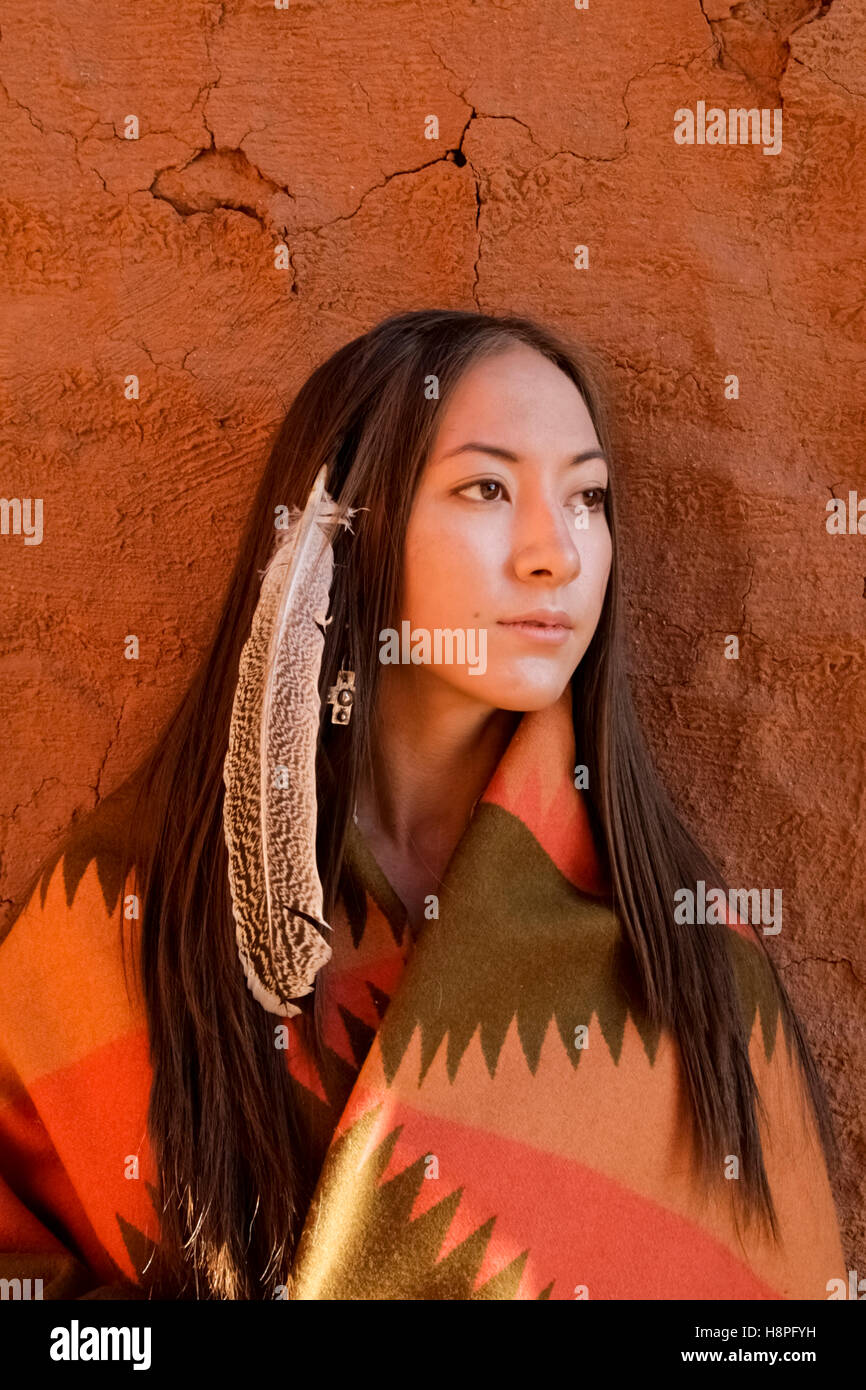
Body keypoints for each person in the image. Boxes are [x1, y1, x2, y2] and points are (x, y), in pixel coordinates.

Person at [0, 309, 846, 1300]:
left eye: (585, 499)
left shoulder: (682, 965)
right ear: (344, 532)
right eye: (486, 487)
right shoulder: (125, 915)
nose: (555, 555)